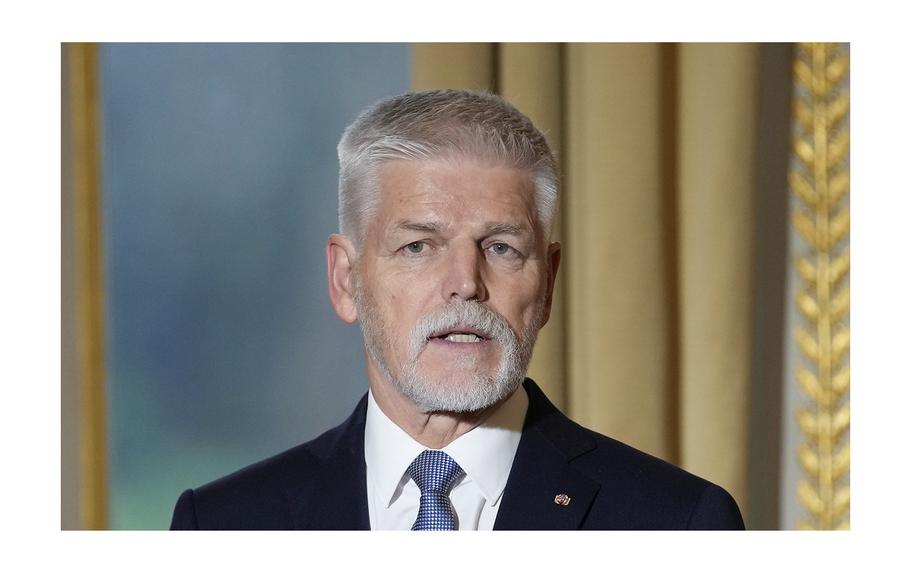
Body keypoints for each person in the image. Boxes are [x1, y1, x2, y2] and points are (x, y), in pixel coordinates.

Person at [170, 89, 745, 530]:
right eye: (417, 246)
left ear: (547, 285)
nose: (465, 284)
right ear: (347, 280)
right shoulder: (224, 523)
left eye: (501, 248)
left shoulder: (679, 521)